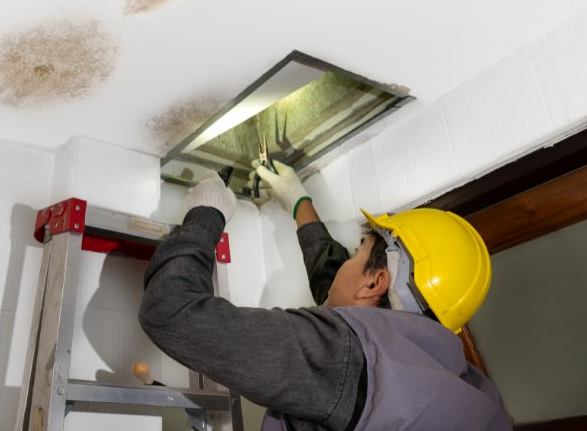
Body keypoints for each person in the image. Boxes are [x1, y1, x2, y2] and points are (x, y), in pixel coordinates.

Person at [139, 161, 511, 430]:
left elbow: (170, 309)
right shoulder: (464, 390)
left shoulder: (341, 356)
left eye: (355, 253)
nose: (346, 261)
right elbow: (348, 305)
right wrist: (300, 204)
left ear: (375, 283)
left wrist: (204, 215)